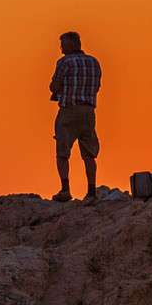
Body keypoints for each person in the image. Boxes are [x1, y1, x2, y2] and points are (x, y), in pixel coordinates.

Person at [49, 31, 101, 202]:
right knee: (89, 153)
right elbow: (97, 86)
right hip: (88, 111)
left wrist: (54, 87)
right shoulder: (94, 62)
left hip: (69, 110)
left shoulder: (65, 62)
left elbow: (54, 86)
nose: (61, 49)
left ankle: (65, 190)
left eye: (63, 45)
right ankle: (92, 192)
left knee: (62, 151)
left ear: (71, 45)